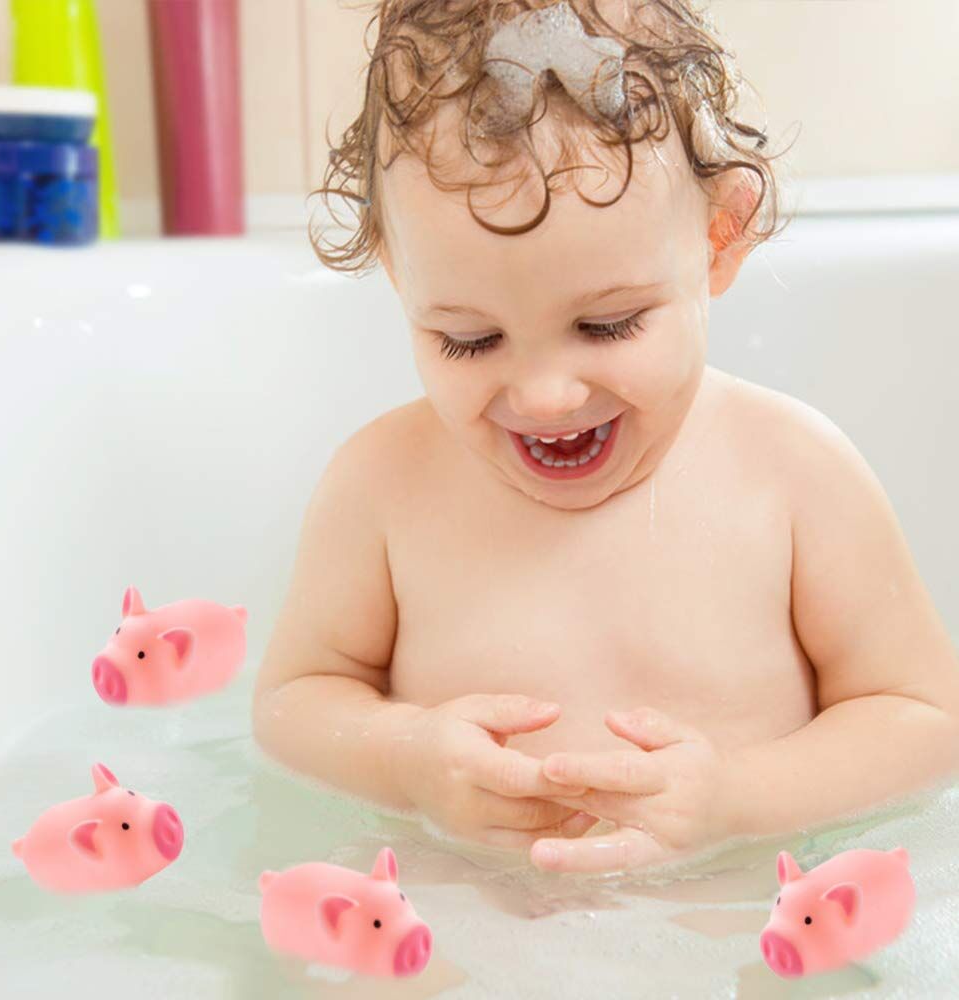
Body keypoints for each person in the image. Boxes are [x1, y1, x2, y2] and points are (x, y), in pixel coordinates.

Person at [253, 0, 959, 875]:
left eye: (609, 325)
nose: (545, 396)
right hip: (459, 931)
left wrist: (739, 800)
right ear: (399, 271)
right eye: (469, 339)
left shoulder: (793, 474)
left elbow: (924, 720)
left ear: (719, 237)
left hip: (731, 928)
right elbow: (292, 704)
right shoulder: (383, 485)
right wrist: (403, 760)